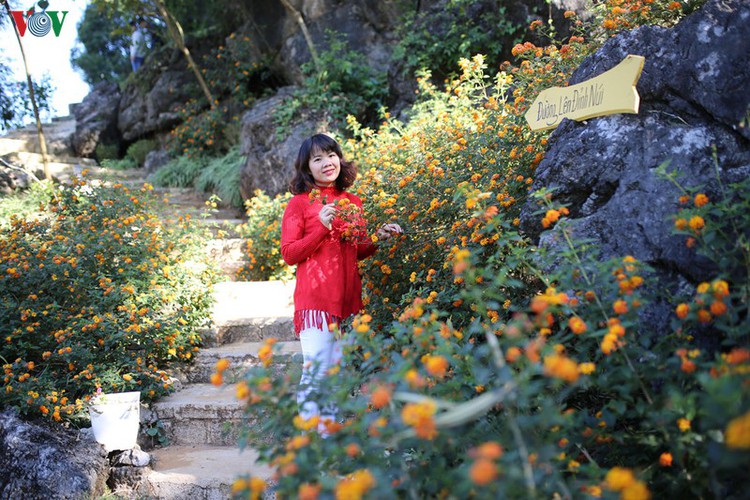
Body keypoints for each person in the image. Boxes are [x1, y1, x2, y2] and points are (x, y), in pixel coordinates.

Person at [281, 133, 402, 432]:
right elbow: (289, 253)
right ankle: (312, 442)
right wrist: (321, 227)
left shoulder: (352, 202)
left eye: (331, 155)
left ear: (340, 158)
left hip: (347, 301)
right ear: (307, 168)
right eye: (317, 159)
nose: (327, 163)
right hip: (316, 301)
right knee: (317, 373)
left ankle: (328, 438)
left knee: (335, 374)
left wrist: (377, 238)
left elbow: (356, 249)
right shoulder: (299, 204)